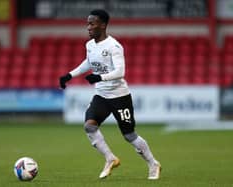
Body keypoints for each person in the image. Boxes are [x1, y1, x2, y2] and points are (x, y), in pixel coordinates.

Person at [59, 9, 161, 180]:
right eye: (88, 23)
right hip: (101, 96)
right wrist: (69, 75)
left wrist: (99, 77)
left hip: (120, 97)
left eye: (92, 23)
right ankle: (110, 158)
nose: (88, 27)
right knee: (89, 126)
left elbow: (120, 72)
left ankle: (153, 163)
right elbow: (88, 62)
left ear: (103, 25)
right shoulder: (90, 45)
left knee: (129, 135)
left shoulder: (114, 46)